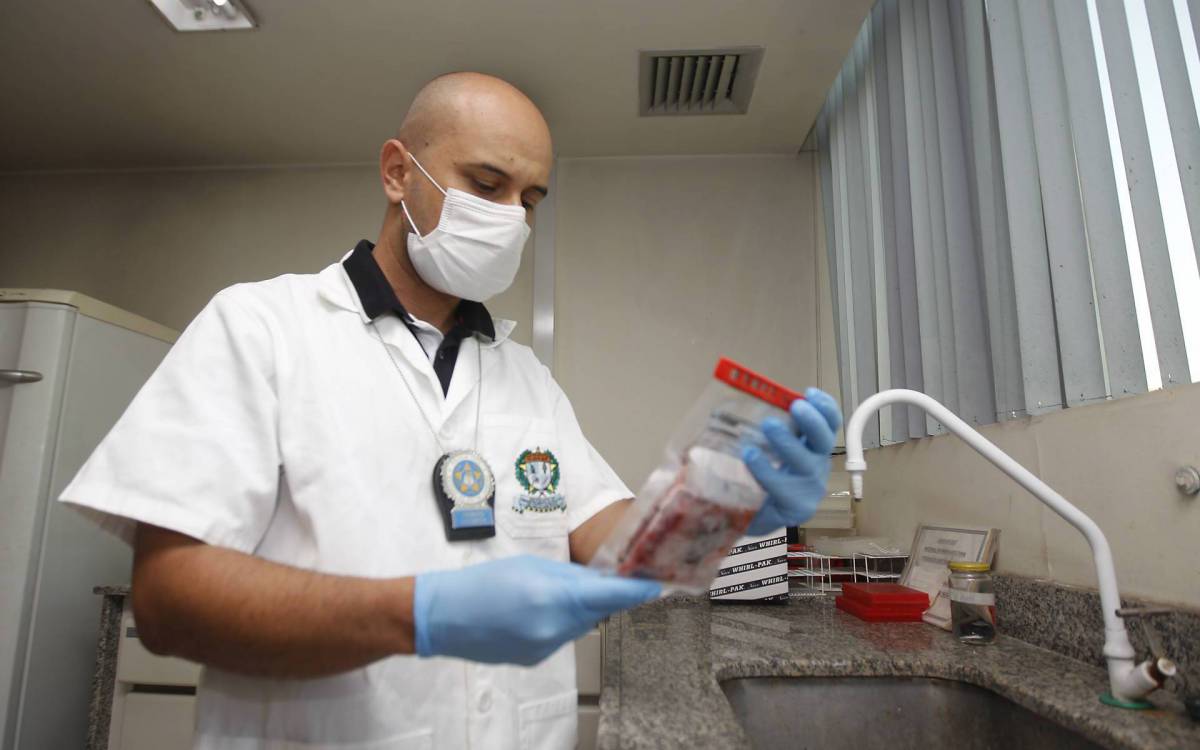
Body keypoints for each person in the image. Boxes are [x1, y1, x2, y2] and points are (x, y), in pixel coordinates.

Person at [59, 72, 842, 750]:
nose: (513, 218)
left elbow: (616, 547)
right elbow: (168, 604)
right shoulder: (262, 328)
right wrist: (419, 613)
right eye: (487, 183)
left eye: (530, 198)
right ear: (399, 172)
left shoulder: (523, 376)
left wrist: (739, 507)